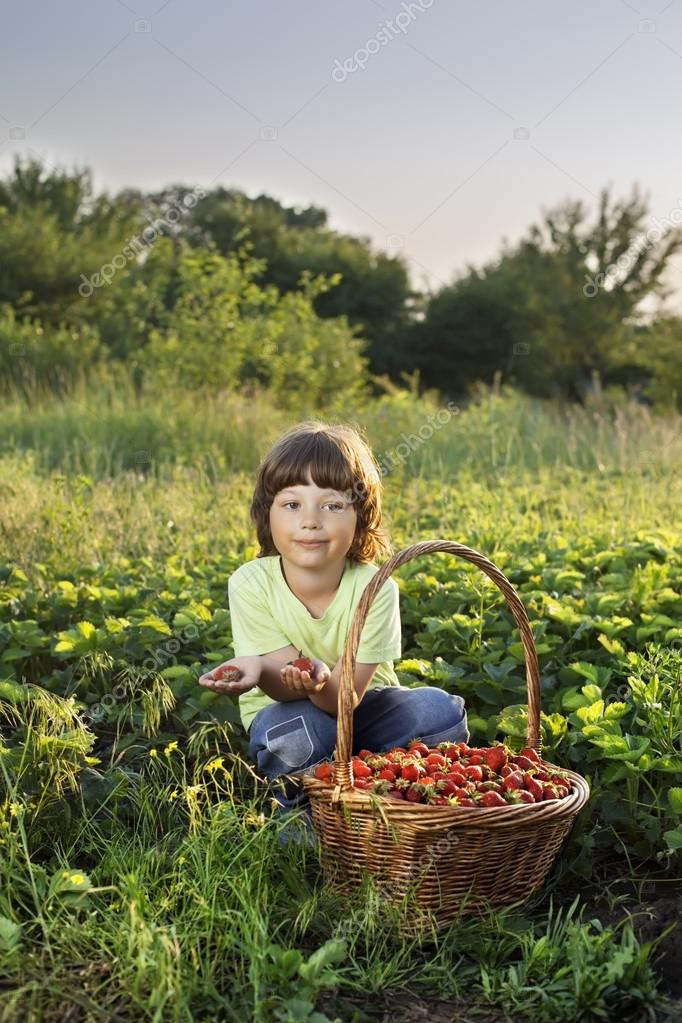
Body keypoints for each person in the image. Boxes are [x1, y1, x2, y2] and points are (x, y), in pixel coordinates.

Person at [198, 420, 469, 824]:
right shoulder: (252, 582)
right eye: (292, 505)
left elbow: (345, 700)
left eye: (333, 505)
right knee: (298, 733)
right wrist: (259, 670)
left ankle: (380, 787)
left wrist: (322, 681)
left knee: (439, 711)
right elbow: (290, 689)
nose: (310, 521)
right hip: (288, 712)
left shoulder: (376, 588)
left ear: (361, 516)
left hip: (361, 711)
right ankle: (307, 812)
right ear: (266, 513)